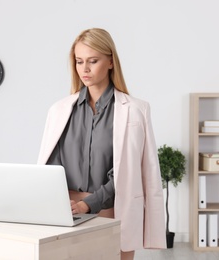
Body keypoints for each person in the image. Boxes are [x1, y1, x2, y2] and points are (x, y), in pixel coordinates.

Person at [37, 28, 166, 260]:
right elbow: (51, 165)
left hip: (112, 212)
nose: (84, 69)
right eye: (79, 61)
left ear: (110, 62)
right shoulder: (59, 110)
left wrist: (89, 204)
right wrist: (61, 203)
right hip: (66, 213)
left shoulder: (136, 111)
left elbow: (128, 171)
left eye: (93, 61)